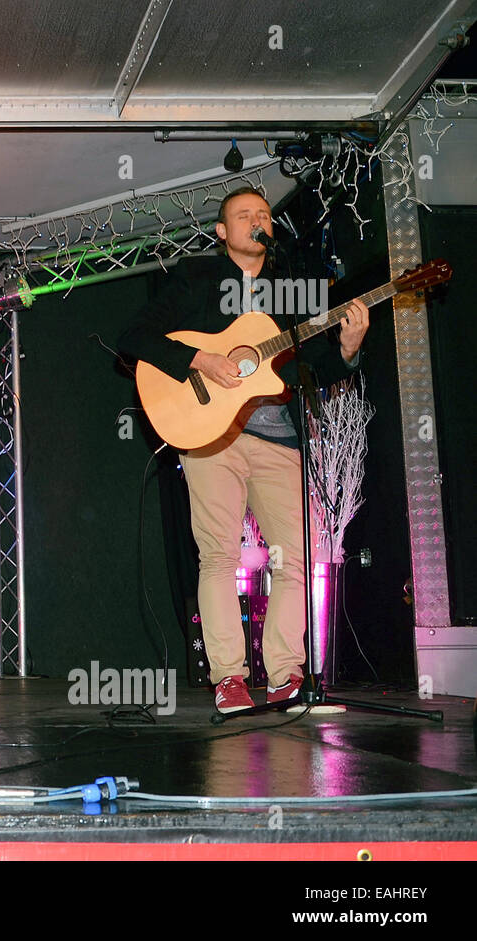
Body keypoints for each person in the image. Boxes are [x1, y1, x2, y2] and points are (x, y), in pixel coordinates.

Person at [118, 186, 369, 714]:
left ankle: (286, 675)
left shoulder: (291, 291)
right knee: (218, 555)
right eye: (244, 215)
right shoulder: (197, 277)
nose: (257, 220)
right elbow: (135, 335)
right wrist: (200, 360)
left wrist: (346, 350)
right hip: (210, 436)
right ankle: (229, 678)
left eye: (263, 214)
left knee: (296, 557)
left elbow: (309, 369)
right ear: (223, 232)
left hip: (278, 439)